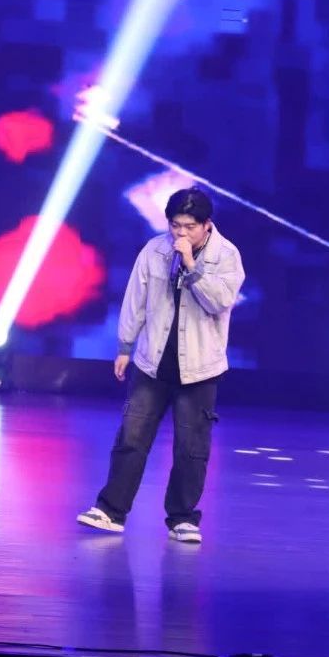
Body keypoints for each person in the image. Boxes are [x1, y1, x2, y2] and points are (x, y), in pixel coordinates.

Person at [77, 188, 244, 544]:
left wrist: (191, 265)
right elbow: (135, 300)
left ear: (206, 225)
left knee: (191, 448)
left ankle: (182, 518)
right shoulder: (154, 250)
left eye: (189, 227)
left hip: (199, 367)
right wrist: (125, 346)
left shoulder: (226, 255)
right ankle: (111, 511)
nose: (180, 233)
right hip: (152, 361)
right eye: (175, 225)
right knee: (131, 438)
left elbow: (220, 302)